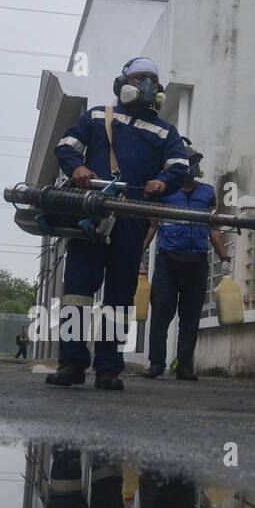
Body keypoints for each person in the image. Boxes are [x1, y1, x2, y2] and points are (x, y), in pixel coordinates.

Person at [48, 57, 189, 391]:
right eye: (141, 78)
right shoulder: (98, 116)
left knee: (120, 298)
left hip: (131, 219)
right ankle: (71, 364)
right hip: (91, 215)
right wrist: (76, 169)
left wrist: (163, 182)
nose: (148, 86)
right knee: (78, 294)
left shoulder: (165, 131)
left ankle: (108, 368)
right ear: (123, 83)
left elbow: (179, 166)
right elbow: (66, 146)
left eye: (153, 81)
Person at [141, 143, 230, 381]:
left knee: (190, 318)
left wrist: (225, 258)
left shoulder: (207, 192)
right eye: (189, 162)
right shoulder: (165, 193)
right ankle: (156, 364)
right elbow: (152, 225)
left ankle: (184, 366)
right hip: (168, 261)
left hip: (196, 262)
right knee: (161, 315)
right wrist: (139, 252)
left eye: (195, 162)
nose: (193, 166)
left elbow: (214, 228)